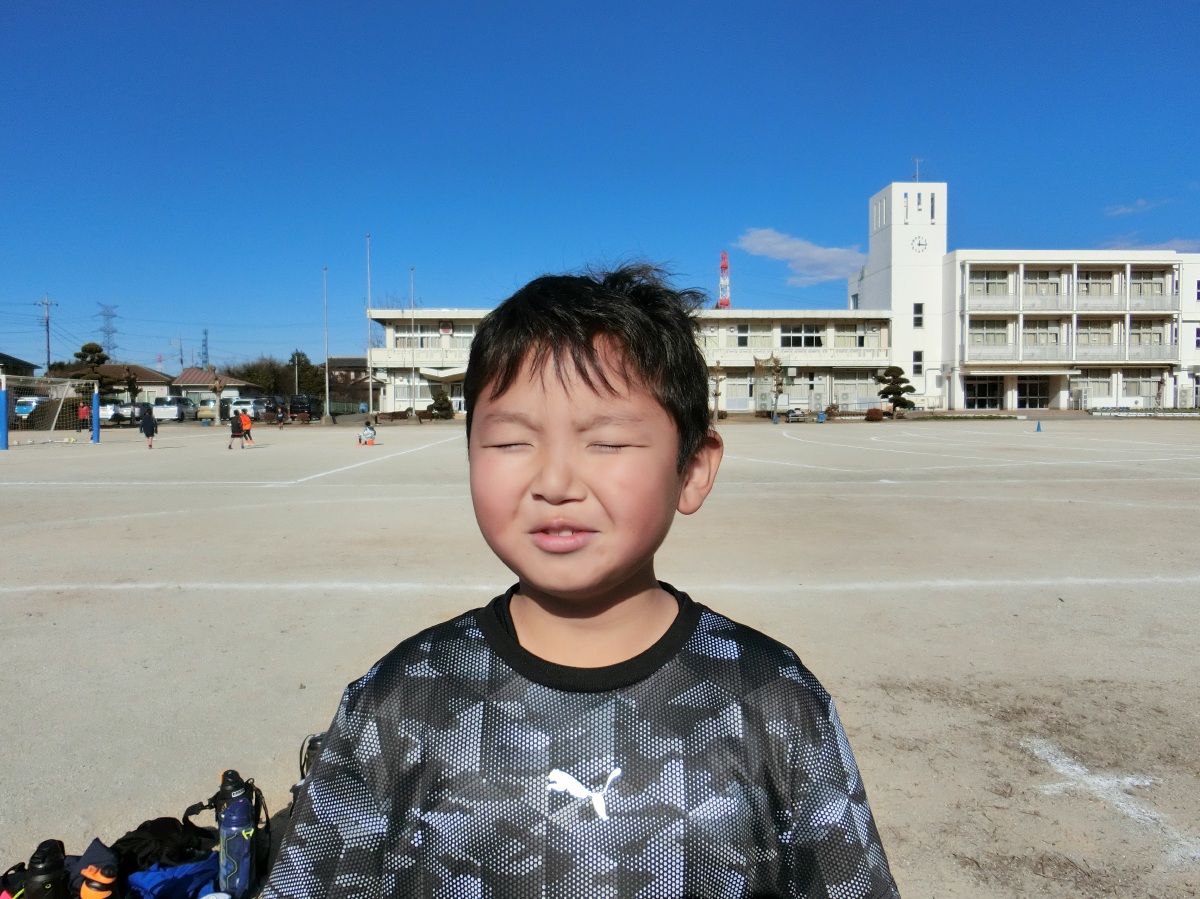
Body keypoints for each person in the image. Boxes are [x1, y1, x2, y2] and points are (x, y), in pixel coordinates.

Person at [263, 265, 900, 899]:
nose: (555, 482)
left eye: (609, 442)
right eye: (510, 442)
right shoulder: (399, 700)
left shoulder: (772, 698)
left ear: (692, 470)